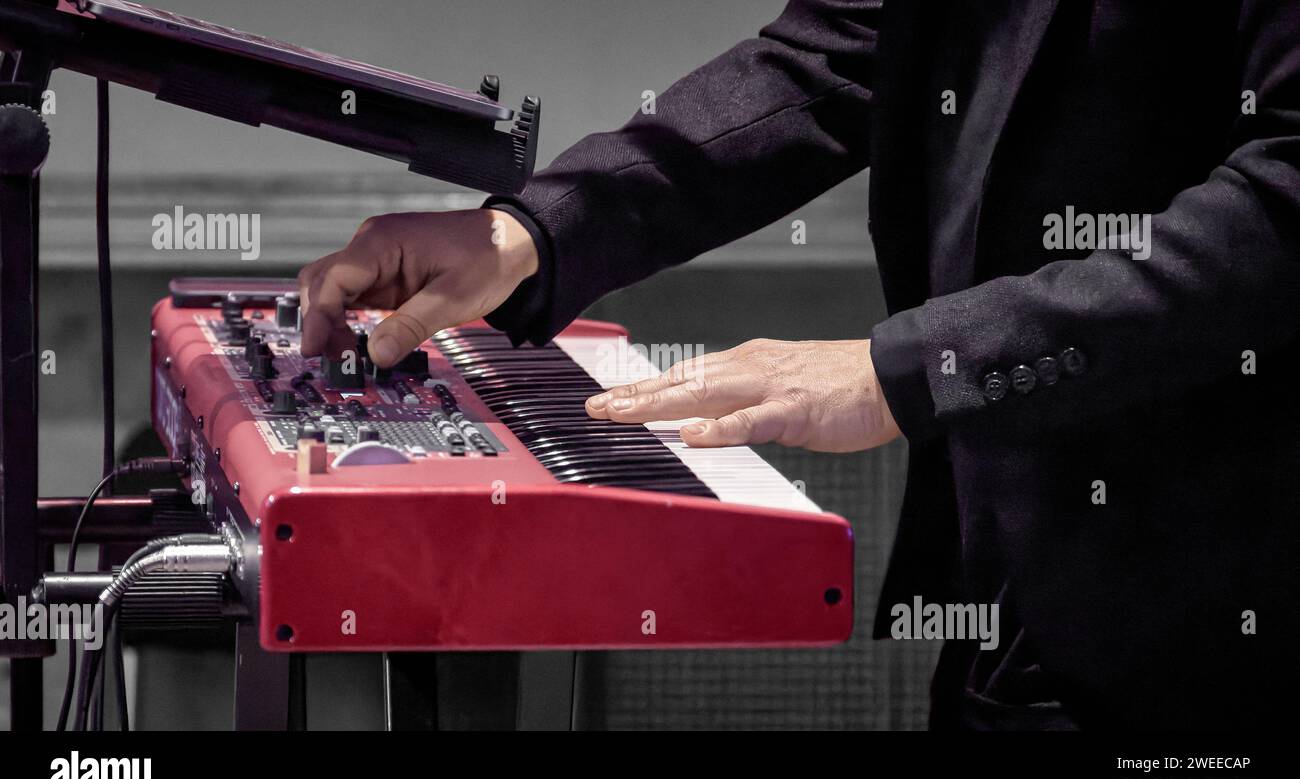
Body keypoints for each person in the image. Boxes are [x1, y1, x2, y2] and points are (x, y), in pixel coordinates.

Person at [297, 0, 1300, 730]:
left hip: (1228, 593)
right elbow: (828, 60)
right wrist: (529, 233)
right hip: (1013, 566)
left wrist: (903, 369)